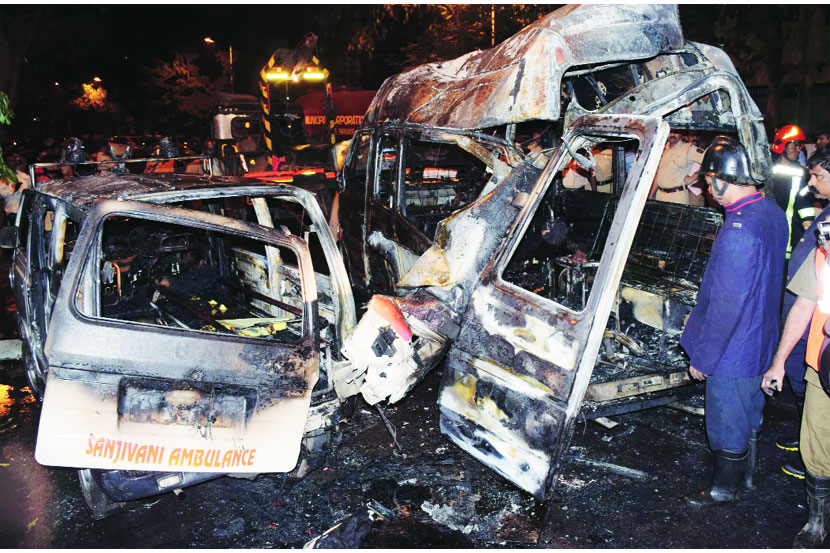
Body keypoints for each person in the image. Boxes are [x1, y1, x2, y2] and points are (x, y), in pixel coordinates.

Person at [680, 136, 788, 508]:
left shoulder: (739, 229)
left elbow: (727, 304)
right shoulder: (771, 212)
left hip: (734, 347)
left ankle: (724, 490)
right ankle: (748, 478)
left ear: (725, 179)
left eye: (711, 183)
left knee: (726, 419)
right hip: (761, 337)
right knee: (749, 412)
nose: (709, 190)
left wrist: (704, 357)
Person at [762, 148, 830, 547]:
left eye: (818, 176)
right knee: (817, 442)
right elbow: (805, 302)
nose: (811, 183)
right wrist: (779, 361)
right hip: (822, 361)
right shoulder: (825, 237)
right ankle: (818, 524)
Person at [776, 147, 830, 480]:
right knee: (802, 377)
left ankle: (815, 453)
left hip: (818, 324)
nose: (811, 182)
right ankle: (807, 438)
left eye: (818, 176)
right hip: (807, 311)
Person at [769, 125, 816, 260]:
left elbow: (805, 202)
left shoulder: (802, 173)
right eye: (794, 146)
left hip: (792, 232)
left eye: (799, 146)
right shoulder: (766, 170)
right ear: (781, 146)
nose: (798, 150)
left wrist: (808, 224)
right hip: (770, 230)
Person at [650, 130, 705, 205]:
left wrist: (693, 177)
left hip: (677, 196)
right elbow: (658, 175)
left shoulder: (688, 149)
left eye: (676, 132)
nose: (672, 134)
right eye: (670, 132)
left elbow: (708, 161)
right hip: (660, 196)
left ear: (681, 134)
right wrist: (650, 196)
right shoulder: (662, 149)